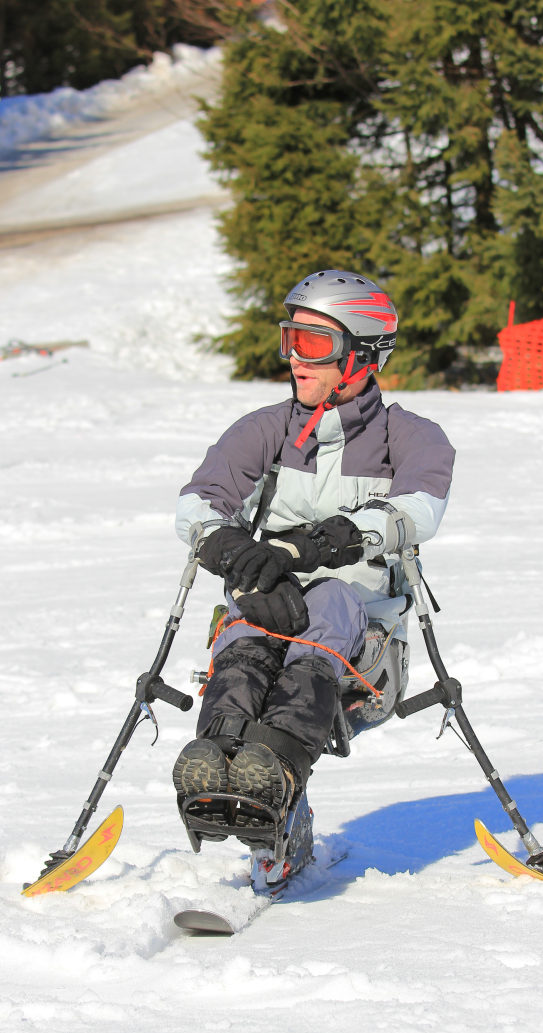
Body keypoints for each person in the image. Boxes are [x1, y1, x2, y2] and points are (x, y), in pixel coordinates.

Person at [172, 268, 455, 863]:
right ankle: (216, 759)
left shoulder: (412, 437)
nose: (296, 359)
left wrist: (327, 544)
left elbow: (419, 510)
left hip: (366, 650)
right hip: (273, 608)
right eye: (290, 339)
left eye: (315, 344)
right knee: (251, 622)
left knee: (328, 601)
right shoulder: (265, 430)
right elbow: (200, 501)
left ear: (362, 352)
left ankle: (273, 771)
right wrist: (231, 551)